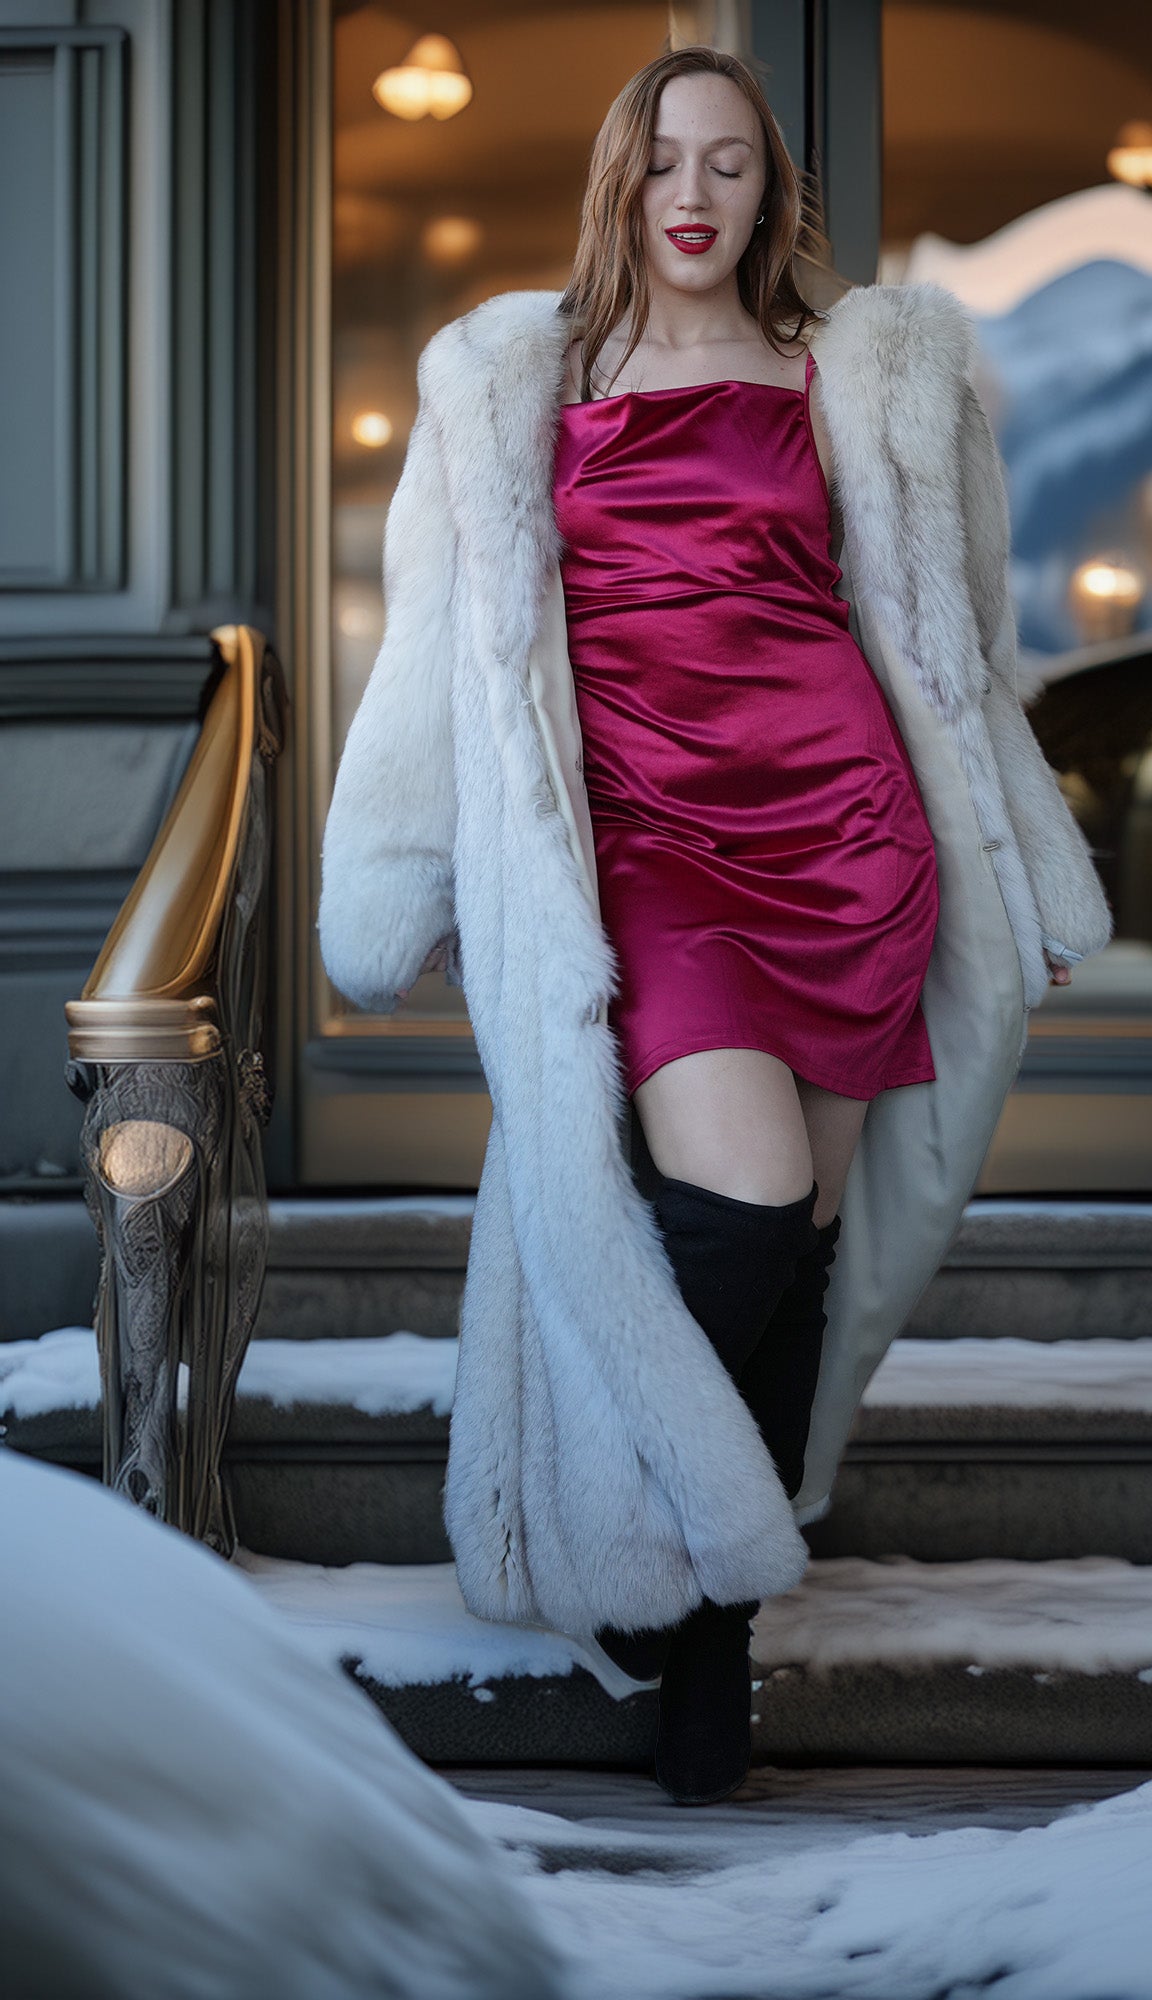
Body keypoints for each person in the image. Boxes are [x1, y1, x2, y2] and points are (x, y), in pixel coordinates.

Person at [318, 46, 1110, 1809]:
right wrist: (415, 874)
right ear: (620, 180)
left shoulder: (861, 378)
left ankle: (707, 1641)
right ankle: (625, 1534)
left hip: (847, 837)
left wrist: (1030, 873)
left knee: (799, 1249)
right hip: (650, 852)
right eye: (665, 160)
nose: (694, 193)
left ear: (768, 195)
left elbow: (963, 653)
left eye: (729, 164)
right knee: (739, 1204)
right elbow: (435, 654)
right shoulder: (516, 382)